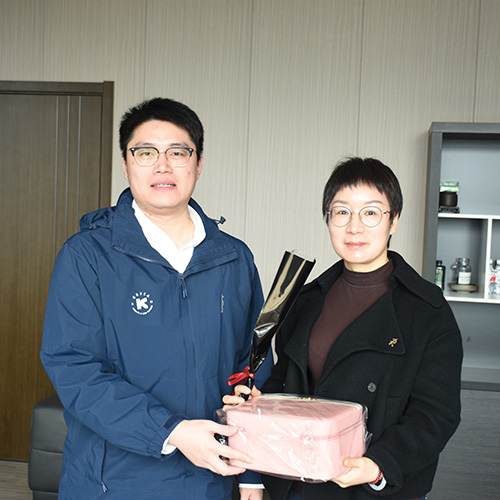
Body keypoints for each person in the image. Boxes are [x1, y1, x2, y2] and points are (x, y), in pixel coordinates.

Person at [40, 97, 272, 500]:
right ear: (125, 164)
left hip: (210, 480)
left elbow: (252, 366)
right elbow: (75, 368)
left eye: (178, 152)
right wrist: (173, 432)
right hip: (112, 483)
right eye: (146, 152)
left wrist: (251, 473)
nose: (162, 166)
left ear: (198, 164)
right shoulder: (87, 256)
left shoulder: (233, 258)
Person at [224, 157, 463, 500]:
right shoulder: (305, 299)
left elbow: (436, 414)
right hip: (295, 482)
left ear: (394, 220)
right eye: (341, 212)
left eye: (371, 212)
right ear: (328, 219)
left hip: (369, 488)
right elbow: (285, 382)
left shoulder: (427, 311)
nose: (354, 227)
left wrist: (379, 466)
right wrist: (264, 403)